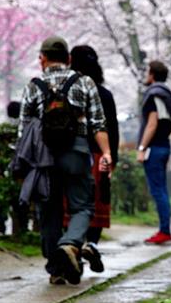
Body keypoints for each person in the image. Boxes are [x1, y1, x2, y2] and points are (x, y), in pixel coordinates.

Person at [18, 36, 112, 285]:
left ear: (43, 59)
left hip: (43, 158)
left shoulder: (33, 86)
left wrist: (24, 165)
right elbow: (98, 124)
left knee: (48, 211)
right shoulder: (84, 82)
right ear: (69, 59)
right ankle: (70, 245)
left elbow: (24, 130)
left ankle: (56, 269)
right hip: (77, 152)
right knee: (82, 207)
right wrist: (106, 154)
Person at [64, 45, 119, 273]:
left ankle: (73, 246)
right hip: (98, 155)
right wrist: (111, 158)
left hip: (73, 153)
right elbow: (112, 129)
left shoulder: (70, 91)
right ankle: (92, 244)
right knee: (97, 203)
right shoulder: (104, 94)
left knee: (73, 205)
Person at [137, 60, 171, 245]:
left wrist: (141, 148)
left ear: (152, 74)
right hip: (164, 145)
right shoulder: (167, 94)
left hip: (154, 147)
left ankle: (165, 231)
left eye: (148, 72)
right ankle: (164, 230)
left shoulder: (154, 94)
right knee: (161, 189)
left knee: (158, 190)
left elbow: (152, 123)